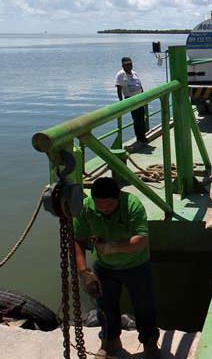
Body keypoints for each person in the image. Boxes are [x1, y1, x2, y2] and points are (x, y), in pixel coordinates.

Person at [74, 177, 160, 359]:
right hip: (105, 268)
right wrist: (83, 272)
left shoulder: (132, 205)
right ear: (93, 200)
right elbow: (78, 239)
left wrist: (111, 247)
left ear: (119, 198)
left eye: (109, 205)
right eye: (100, 205)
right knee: (105, 308)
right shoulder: (86, 208)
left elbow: (141, 240)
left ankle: (149, 343)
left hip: (136, 265)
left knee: (145, 307)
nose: (104, 208)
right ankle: (110, 343)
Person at [115, 57, 149, 146]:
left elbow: (140, 86)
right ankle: (140, 139)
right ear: (123, 65)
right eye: (127, 65)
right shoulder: (120, 74)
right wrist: (121, 102)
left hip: (139, 98)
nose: (129, 66)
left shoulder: (134, 73)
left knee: (142, 118)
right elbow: (119, 89)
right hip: (130, 99)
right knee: (137, 120)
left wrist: (144, 97)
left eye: (130, 64)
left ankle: (143, 137)